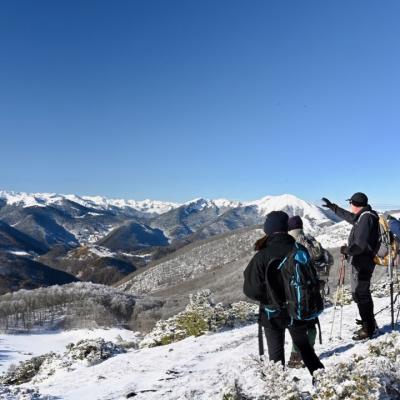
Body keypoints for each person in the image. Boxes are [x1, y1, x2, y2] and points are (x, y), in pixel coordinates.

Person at [243, 211, 324, 376]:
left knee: (276, 357)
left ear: (269, 229)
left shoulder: (262, 255)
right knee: (306, 351)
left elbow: (251, 289)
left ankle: (280, 389)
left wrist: (268, 298)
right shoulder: (299, 249)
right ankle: (325, 384)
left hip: (272, 313)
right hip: (298, 310)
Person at [322, 192, 379, 340]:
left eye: (351, 203)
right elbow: (351, 217)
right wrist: (333, 208)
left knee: (361, 294)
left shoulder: (366, 218)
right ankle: (369, 323)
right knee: (360, 294)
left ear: (356, 204)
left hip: (363, 263)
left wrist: (346, 250)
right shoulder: (364, 215)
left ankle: (369, 328)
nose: (350, 205)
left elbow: (360, 245)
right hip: (363, 262)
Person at [286, 215, 331, 368]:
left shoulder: (293, 243)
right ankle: (309, 351)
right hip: (315, 287)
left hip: (300, 290)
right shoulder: (310, 240)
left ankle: (297, 356)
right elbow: (328, 258)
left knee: (298, 324)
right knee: (311, 321)